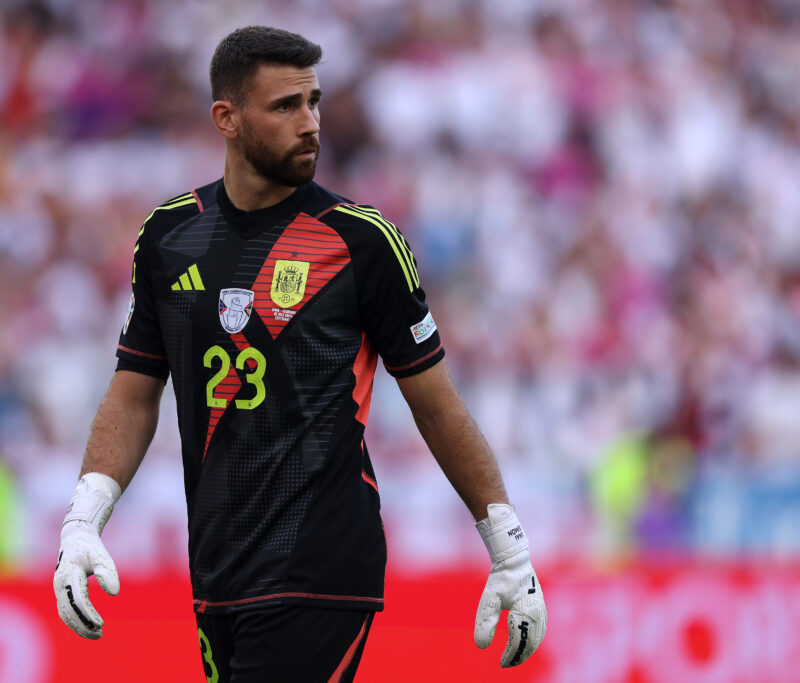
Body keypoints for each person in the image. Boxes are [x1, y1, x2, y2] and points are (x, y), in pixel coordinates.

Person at [53, 25, 546, 681]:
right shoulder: (170, 236)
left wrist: (507, 548)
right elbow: (135, 389)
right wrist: (83, 520)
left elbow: (436, 404)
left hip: (320, 568)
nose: (310, 122)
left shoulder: (362, 241)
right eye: (285, 106)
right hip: (219, 569)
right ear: (226, 118)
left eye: (313, 101)